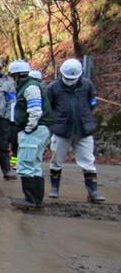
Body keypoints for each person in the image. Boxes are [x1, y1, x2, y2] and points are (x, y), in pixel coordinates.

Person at [47, 58, 105, 203]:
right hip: (61, 129)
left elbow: (91, 103)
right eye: (67, 77)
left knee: (88, 161)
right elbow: (48, 107)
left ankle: (93, 191)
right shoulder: (53, 87)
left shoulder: (86, 85)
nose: (69, 80)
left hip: (83, 129)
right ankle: (54, 188)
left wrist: (83, 117)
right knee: (56, 160)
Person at [8, 60, 53, 211]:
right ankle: (37, 200)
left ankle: (30, 199)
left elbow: (35, 111)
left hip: (34, 130)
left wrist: (28, 128)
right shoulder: (31, 86)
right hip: (40, 129)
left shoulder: (30, 87)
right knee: (35, 165)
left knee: (25, 164)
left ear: (17, 75)